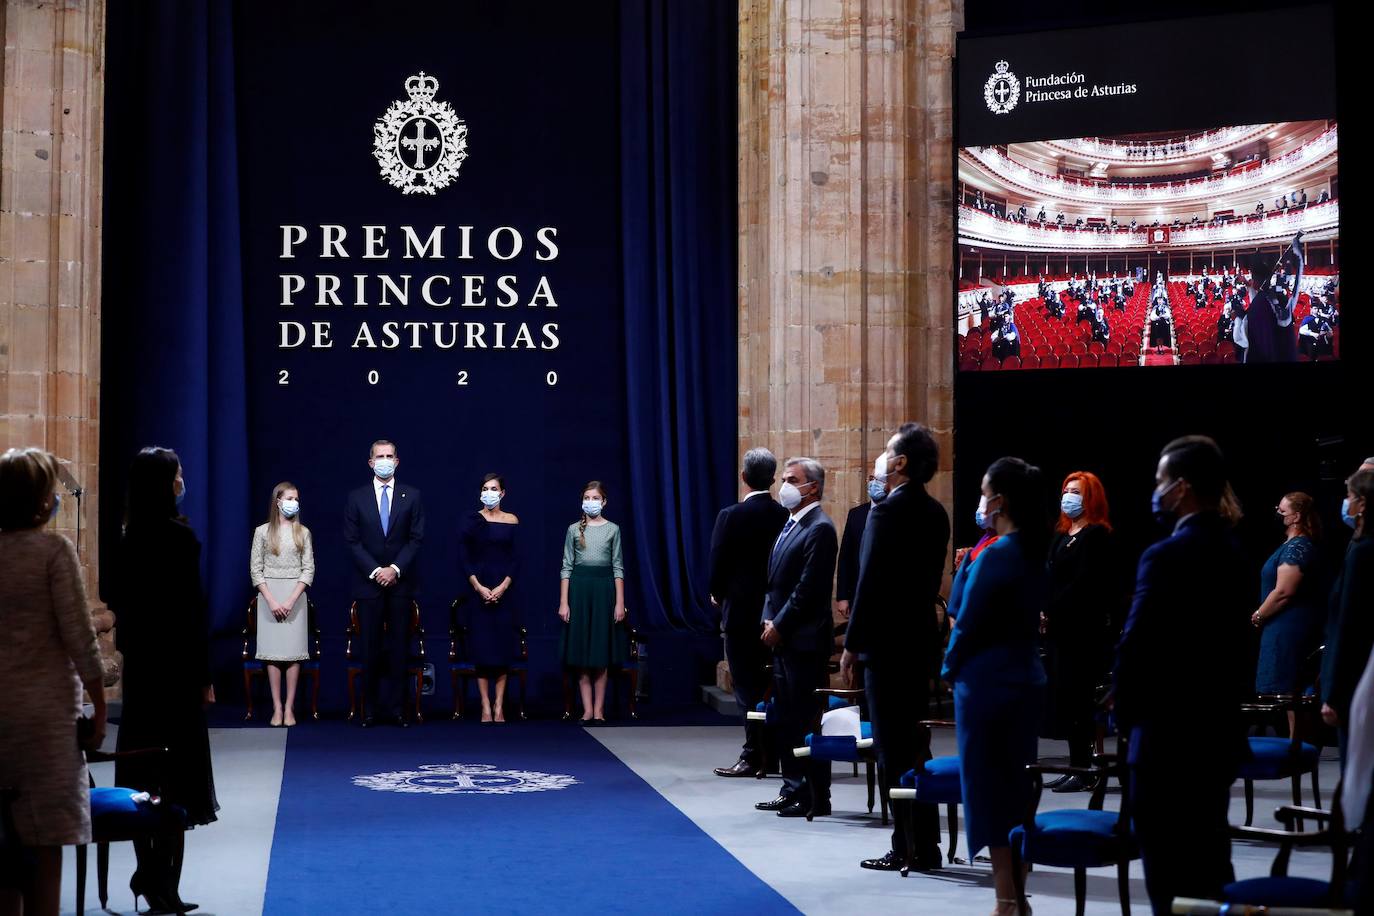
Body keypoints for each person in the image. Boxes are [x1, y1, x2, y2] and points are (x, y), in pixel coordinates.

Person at [1113, 436, 1251, 914]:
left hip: (1166, 740)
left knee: (1168, 875)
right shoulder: (1235, 553)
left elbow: (1136, 645)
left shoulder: (1165, 556)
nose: (1157, 491)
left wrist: (1125, 720)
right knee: (1211, 861)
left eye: (1160, 482)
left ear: (1183, 488)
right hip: (1218, 733)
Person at [109, 446, 218, 913]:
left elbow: (118, 604)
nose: (181, 482)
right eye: (177, 475)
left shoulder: (127, 539)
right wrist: (203, 676)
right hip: (175, 674)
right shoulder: (179, 539)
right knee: (177, 780)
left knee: (143, 774)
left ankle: (146, 874)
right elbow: (191, 614)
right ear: (164, 483)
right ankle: (163, 884)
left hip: (143, 673)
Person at [0, 448, 106, 916]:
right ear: (42, 500)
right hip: (44, 723)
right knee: (45, 844)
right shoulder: (52, 551)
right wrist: (100, 707)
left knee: (2, 852)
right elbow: (80, 637)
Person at [841, 424, 950, 872]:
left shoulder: (884, 513)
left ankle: (905, 845)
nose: (883, 458)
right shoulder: (937, 512)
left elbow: (869, 586)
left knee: (891, 750)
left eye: (888, 451)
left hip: (885, 649)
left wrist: (851, 645)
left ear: (901, 462)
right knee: (916, 745)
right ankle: (926, 844)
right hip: (919, 643)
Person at [942, 458, 1049, 916]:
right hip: (1023, 679)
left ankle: (1005, 901)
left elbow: (966, 624)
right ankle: (1016, 897)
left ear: (999, 500)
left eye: (985, 493)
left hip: (985, 684)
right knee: (1016, 790)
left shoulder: (1000, 553)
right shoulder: (1030, 549)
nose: (981, 502)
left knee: (989, 792)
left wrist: (948, 669)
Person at [754, 458, 838, 818]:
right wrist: (767, 620)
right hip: (783, 637)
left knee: (805, 720)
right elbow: (774, 584)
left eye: (792, 480)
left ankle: (814, 794)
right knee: (786, 719)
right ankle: (791, 787)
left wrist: (781, 625)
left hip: (804, 640)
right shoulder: (790, 524)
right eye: (784, 478)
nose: (784, 485)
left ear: (813, 487)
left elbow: (808, 588)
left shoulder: (820, 528)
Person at [710, 449, 789, 777]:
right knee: (772, 685)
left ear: (744, 478)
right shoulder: (784, 515)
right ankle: (771, 755)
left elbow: (717, 562)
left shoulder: (731, 515)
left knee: (746, 687)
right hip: (776, 614)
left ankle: (753, 754)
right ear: (772, 479)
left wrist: (718, 594)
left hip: (741, 614)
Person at [342, 439, 425, 727]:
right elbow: (352, 541)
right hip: (369, 585)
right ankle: (370, 710)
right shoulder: (357, 497)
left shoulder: (411, 495)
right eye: (380, 456)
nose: (385, 460)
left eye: (390, 456)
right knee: (370, 649)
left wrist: (395, 569)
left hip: (401, 585)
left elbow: (416, 539)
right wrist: (377, 570)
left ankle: (398, 710)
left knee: (400, 648)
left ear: (397, 461)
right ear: (370, 462)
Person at [1042, 472, 1116, 792]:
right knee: (1066, 700)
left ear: (1090, 498)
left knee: (1080, 700)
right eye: (1066, 490)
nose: (1069, 496)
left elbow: (1084, 585)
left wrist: (1053, 609)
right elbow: (1049, 576)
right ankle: (1075, 764)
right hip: (1059, 629)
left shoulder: (1096, 535)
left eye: (1076, 492)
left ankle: (1086, 769)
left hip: (1082, 631)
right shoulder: (1061, 534)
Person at [558, 481, 628, 724]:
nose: (591, 501)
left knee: (599, 653)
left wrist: (620, 602)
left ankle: (599, 710)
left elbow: (618, 567)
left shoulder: (613, 530)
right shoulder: (573, 530)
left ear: (604, 501)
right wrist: (564, 602)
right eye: (587, 497)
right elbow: (566, 567)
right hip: (579, 589)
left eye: (595, 497)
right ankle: (586, 709)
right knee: (582, 654)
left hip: (604, 591)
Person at [456, 473, 521, 723]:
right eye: (485, 488)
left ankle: (499, 705)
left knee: (502, 649)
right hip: (478, 589)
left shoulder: (512, 520)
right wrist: (478, 586)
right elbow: (463, 557)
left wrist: (504, 586)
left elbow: (516, 559)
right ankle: (484, 704)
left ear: (503, 493)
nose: (489, 492)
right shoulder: (470, 520)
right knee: (482, 649)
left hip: (505, 589)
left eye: (494, 488)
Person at [249, 481, 315, 727]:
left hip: (294, 596)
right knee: (274, 656)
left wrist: (290, 600)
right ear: (278, 502)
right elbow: (256, 570)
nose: (293, 503)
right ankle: (276, 707)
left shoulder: (303, 532)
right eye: (289, 498)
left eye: (296, 498)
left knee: (293, 655)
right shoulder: (262, 532)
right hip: (269, 596)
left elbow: (308, 569)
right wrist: (271, 599)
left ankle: (290, 707)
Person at [1320, 468, 1374, 764]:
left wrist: (1333, 693)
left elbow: (1349, 626)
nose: (1346, 503)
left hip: (1356, 682)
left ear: (1363, 503)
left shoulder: (1362, 551)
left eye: (1350, 496)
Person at [1251, 492, 1324, 702]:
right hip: (1280, 631)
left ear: (1297, 517)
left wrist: (1258, 615)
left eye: (1282, 511)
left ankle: (1298, 737)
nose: (1277, 513)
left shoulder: (1297, 547)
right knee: (1287, 699)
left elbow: (1284, 591)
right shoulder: (1290, 545)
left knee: (1292, 697)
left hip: (1289, 633)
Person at [835, 453, 888, 620]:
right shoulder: (856, 514)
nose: (873, 483)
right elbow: (845, 557)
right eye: (871, 478)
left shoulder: (896, 514)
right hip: (858, 595)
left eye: (879, 479)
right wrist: (843, 596)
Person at [1242, 244, 1302, 363]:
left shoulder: (1256, 308)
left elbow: (1251, 348)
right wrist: (1300, 260)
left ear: (1254, 282)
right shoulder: (1282, 300)